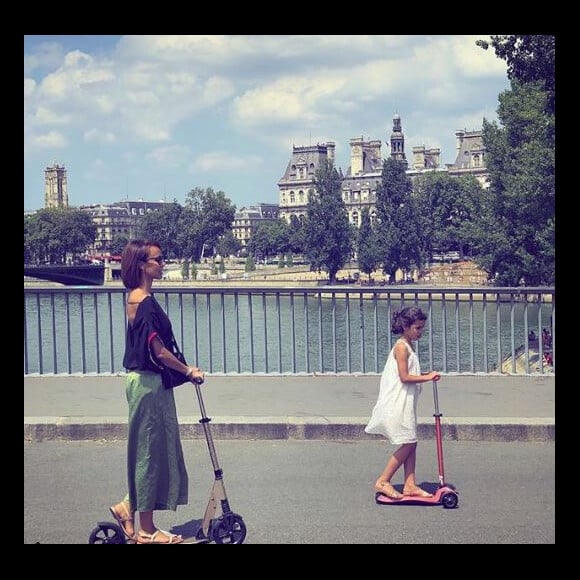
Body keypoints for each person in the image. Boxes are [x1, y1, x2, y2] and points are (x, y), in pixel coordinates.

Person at [109, 240, 205, 544]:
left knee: (150, 451)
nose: (163, 264)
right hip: (149, 384)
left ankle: (129, 506)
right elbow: (159, 351)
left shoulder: (136, 297)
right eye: (158, 260)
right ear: (142, 264)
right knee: (150, 453)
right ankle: (147, 531)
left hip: (144, 383)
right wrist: (188, 371)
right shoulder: (145, 302)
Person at [365, 306, 440, 500]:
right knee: (407, 443)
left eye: (422, 328)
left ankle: (410, 484)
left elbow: (408, 374)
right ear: (406, 327)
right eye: (417, 328)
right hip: (398, 401)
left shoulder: (408, 345)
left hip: (407, 400)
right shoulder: (401, 347)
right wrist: (427, 377)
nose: (420, 332)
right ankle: (383, 480)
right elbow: (405, 377)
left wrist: (426, 375)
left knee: (411, 442)